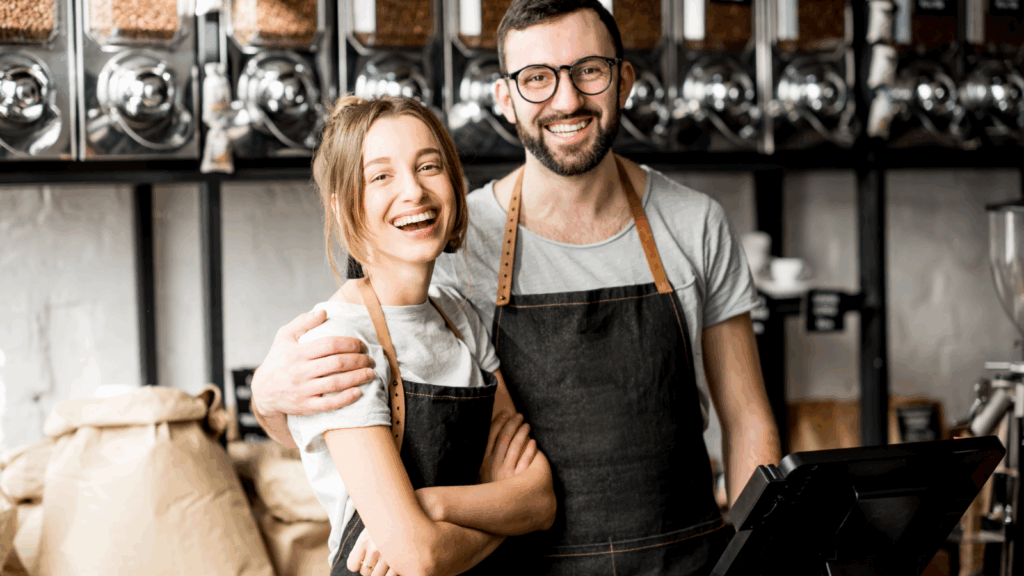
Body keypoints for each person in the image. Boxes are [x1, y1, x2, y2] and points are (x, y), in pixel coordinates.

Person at [253, 1, 782, 574]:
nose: (567, 100)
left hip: (685, 560)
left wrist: (758, 558)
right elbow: (352, 396)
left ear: (623, 80)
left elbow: (748, 418)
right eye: (537, 79)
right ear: (504, 98)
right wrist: (267, 395)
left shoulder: (695, 223)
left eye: (590, 70)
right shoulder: (452, 236)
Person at [289, 94, 556, 576]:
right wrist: (499, 510)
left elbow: (539, 501)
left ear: (454, 182)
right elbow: (418, 557)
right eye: (381, 176)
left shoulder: (458, 317)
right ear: (344, 205)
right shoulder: (340, 343)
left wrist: (429, 505)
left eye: (429, 166)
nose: (413, 191)